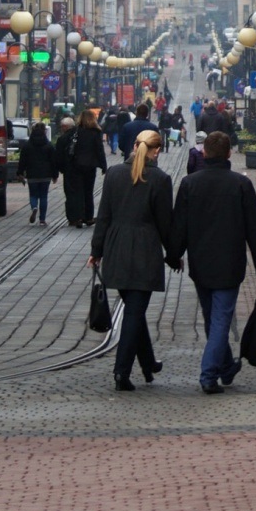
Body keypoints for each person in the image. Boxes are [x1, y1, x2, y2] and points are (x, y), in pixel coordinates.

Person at [167, 131, 256, 394]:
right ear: (228, 154)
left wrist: (174, 254)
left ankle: (225, 367)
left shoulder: (190, 183)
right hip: (229, 263)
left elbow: (179, 225)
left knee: (213, 318)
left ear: (204, 153)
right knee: (220, 319)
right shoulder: (240, 185)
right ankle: (209, 373)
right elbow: (254, 230)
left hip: (200, 263)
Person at [89, 130, 174, 391]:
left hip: (116, 249)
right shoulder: (160, 179)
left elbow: (103, 216)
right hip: (145, 252)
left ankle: (148, 363)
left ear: (134, 146)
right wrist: (173, 254)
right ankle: (121, 372)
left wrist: (97, 251)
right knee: (134, 313)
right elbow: (165, 223)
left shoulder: (113, 174)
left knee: (134, 311)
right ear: (156, 151)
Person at [66, 110, 108, 227]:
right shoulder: (96, 132)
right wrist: (103, 165)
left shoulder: (76, 131)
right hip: (90, 166)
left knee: (78, 191)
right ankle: (88, 217)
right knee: (88, 191)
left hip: (77, 164)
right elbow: (100, 150)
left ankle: (78, 217)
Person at [17, 121, 58, 226]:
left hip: (32, 174)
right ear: (44, 132)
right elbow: (54, 161)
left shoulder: (27, 146)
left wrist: (20, 173)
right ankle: (42, 220)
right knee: (44, 196)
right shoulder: (49, 146)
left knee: (33, 194)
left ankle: (34, 207)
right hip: (46, 175)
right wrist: (55, 175)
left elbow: (22, 161)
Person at [53, 117, 79, 223]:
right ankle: (80, 215)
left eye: (62, 126)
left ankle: (72, 217)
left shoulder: (62, 139)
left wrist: (60, 169)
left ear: (65, 127)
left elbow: (58, 156)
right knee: (79, 192)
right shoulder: (79, 136)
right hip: (79, 168)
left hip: (68, 170)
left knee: (69, 193)